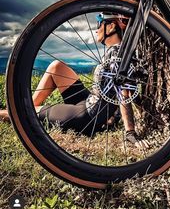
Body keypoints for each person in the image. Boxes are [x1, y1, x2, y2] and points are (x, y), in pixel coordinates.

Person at [0, 13, 149, 149]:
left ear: (111, 26)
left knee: (23, 111)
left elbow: (125, 93)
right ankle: (27, 111)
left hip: (85, 117)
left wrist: (130, 132)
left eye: (99, 24)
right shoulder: (117, 51)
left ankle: (21, 113)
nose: (96, 30)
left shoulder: (117, 55)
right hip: (89, 101)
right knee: (56, 67)